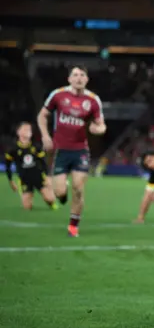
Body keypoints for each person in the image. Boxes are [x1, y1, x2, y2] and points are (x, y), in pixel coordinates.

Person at [37, 66, 106, 237]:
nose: (79, 78)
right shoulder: (58, 95)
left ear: (87, 79)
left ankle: (73, 226)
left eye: (82, 75)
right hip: (60, 150)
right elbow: (42, 115)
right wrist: (45, 136)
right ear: (69, 79)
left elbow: (101, 123)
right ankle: (62, 195)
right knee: (59, 193)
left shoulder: (93, 100)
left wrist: (99, 129)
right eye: (75, 75)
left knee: (78, 188)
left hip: (80, 150)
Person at [4, 122, 58, 211]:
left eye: (29, 130)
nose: (28, 131)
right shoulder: (12, 149)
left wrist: (48, 176)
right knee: (27, 207)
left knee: (50, 199)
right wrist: (11, 181)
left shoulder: (36, 146)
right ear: (18, 132)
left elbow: (44, 163)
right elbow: (7, 166)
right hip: (24, 179)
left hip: (39, 177)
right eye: (25, 129)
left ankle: (51, 201)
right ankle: (29, 198)